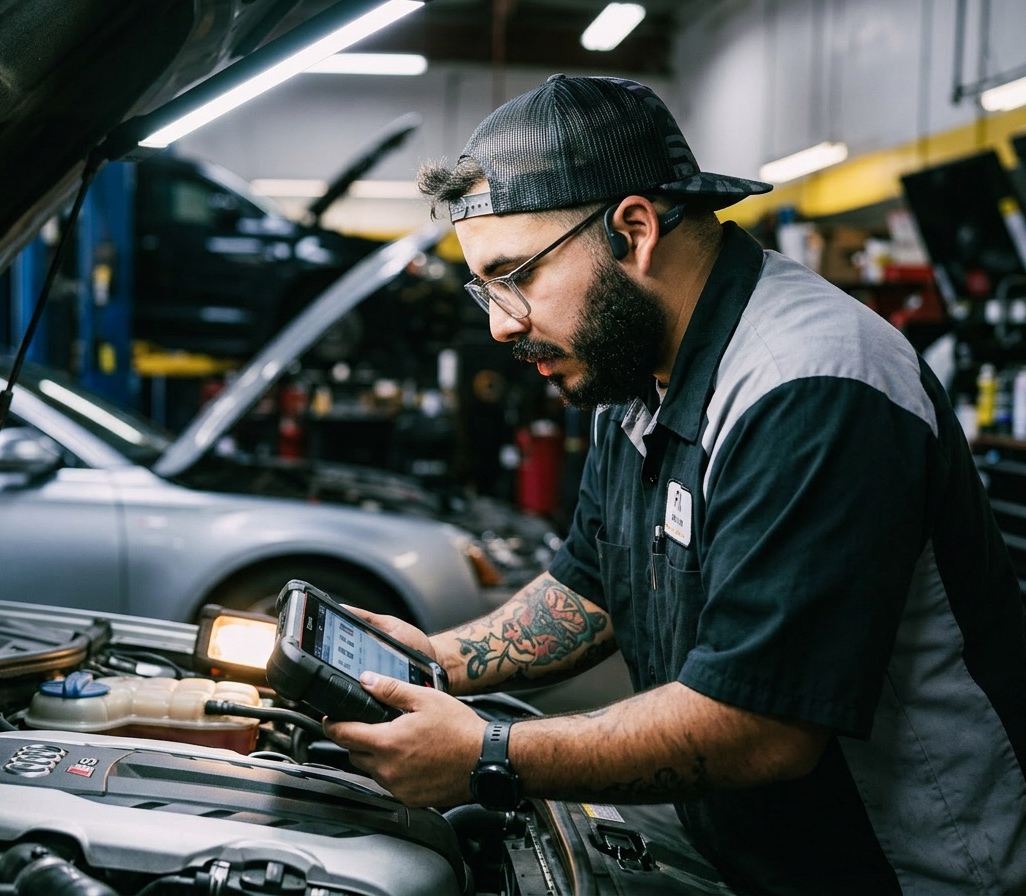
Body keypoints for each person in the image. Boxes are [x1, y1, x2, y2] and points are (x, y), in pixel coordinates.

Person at [322, 74, 1026, 894]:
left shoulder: (811, 386)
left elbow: (761, 725)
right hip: (756, 851)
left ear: (634, 228)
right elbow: (590, 587)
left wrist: (487, 755)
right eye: (485, 286)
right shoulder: (636, 375)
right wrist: (432, 661)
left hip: (904, 871)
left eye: (516, 276)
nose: (500, 323)